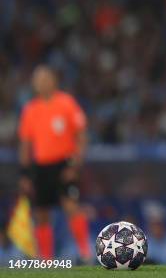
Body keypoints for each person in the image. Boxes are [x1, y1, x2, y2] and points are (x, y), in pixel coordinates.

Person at [18, 65, 91, 261]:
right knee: (41, 213)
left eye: (45, 78)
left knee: (71, 207)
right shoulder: (30, 110)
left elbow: (82, 136)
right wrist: (24, 174)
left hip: (64, 163)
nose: (42, 82)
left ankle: (85, 253)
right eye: (38, 79)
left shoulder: (67, 103)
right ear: (34, 84)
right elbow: (25, 144)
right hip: (41, 166)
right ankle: (46, 260)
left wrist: (75, 165)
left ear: (54, 81)